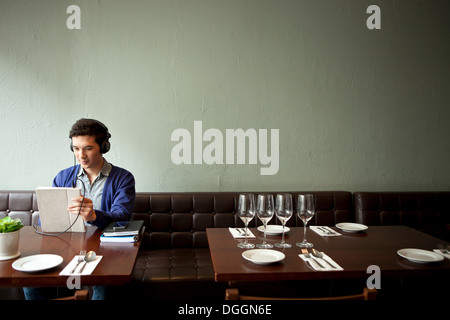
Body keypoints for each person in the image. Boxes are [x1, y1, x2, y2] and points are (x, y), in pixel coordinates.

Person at [23, 118, 136, 300]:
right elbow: (47, 221)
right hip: (66, 248)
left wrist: (93, 216)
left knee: (102, 286)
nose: (81, 155)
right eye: (76, 148)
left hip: (104, 251)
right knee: (30, 283)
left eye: (88, 148)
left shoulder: (123, 178)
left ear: (103, 147)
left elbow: (122, 217)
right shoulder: (63, 177)